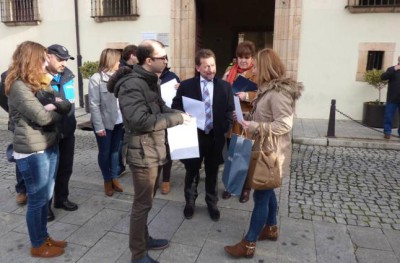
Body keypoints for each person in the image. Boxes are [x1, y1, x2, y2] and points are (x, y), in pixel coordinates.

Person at [107, 39, 190, 263]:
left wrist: (181, 114)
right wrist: (176, 118)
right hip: (142, 153)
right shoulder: (132, 85)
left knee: (146, 202)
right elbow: (140, 120)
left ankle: (144, 239)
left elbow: (160, 107)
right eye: (162, 57)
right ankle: (138, 254)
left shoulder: (149, 80)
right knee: (141, 205)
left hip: (153, 149)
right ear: (149, 60)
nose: (166, 60)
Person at [224, 48, 303, 258]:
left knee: (261, 195)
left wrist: (254, 126)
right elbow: (266, 115)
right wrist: (247, 115)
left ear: (266, 67)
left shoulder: (278, 93)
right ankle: (271, 228)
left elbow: (283, 125)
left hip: (272, 153)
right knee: (267, 190)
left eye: (257, 66)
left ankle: (249, 242)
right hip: (265, 150)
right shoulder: (267, 90)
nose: (254, 70)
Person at [5, 41, 69, 258]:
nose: (46, 62)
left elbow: (63, 103)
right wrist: (57, 108)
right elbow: (43, 117)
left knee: (46, 195)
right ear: (32, 60)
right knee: (37, 199)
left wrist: (56, 106)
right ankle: (37, 244)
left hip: (48, 144)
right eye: (42, 58)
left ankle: (44, 236)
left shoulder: (39, 82)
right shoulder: (18, 86)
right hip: (33, 150)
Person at [171, 49, 234, 221]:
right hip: (194, 136)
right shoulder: (186, 86)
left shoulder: (225, 86)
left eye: (212, 65)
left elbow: (230, 110)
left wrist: (225, 126)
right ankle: (190, 201)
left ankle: (211, 202)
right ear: (198, 67)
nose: (210, 70)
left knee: (213, 171)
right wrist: (184, 115)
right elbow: (176, 106)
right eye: (206, 67)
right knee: (192, 170)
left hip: (215, 136)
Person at [221, 40, 257, 203]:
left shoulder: (258, 72)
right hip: (231, 120)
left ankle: (245, 188)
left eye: (246, 57)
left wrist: (247, 96)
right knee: (231, 154)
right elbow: (221, 90)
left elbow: (263, 94)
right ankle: (230, 185)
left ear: (252, 57)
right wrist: (223, 83)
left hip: (247, 120)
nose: (243, 60)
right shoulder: (230, 71)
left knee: (245, 155)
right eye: (240, 57)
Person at [46, 44, 78, 222]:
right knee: (49, 172)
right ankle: (46, 205)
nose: (64, 63)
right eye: (60, 59)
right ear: (48, 56)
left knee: (66, 167)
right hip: (49, 132)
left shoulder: (67, 75)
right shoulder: (39, 77)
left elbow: (70, 102)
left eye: (66, 59)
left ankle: (61, 198)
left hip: (67, 129)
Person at [89, 48, 124, 196]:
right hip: (104, 123)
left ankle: (115, 177)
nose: (119, 63)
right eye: (117, 60)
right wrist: (98, 126)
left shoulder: (120, 76)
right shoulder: (96, 79)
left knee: (116, 151)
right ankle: (107, 179)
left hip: (119, 121)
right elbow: (93, 104)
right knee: (105, 152)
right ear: (110, 60)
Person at [1, 70, 27, 205]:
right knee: (21, 158)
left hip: (37, 126)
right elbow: (3, 98)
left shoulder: (40, 73)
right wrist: (14, 111)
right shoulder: (8, 75)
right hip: (18, 125)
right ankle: (22, 190)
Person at [159, 63, 180, 195]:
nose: (163, 62)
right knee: (154, 149)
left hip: (168, 116)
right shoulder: (146, 76)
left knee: (167, 149)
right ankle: (153, 178)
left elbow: (180, 95)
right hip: (152, 117)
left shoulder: (172, 76)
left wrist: (180, 87)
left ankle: (166, 180)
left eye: (164, 59)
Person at [381, 56, 400, 139]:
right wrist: (394, 69)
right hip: (392, 97)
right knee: (389, 116)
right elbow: (383, 77)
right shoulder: (392, 69)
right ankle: (387, 132)